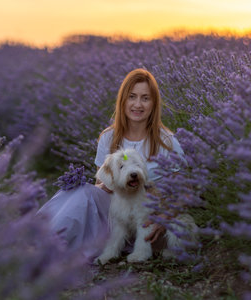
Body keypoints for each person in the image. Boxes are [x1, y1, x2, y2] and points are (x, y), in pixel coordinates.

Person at [37, 68, 184, 260]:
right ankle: (41, 241)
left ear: (154, 103)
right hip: (117, 217)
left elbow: (184, 192)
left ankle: (48, 248)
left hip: (150, 222)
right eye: (132, 97)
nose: (137, 104)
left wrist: (164, 219)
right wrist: (94, 188)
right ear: (123, 100)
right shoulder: (109, 137)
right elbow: (102, 186)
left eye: (145, 98)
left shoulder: (167, 141)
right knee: (78, 192)